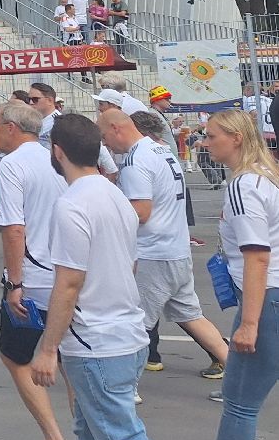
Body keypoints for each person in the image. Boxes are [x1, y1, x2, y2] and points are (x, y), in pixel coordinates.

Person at [29, 114, 173, 440]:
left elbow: (69, 283)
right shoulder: (116, 196)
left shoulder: (72, 205)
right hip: (127, 336)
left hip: (97, 344)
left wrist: (48, 349)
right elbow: (131, 264)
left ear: (57, 151)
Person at [98, 107, 229, 384]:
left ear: (116, 129)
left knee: (135, 324)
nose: (104, 144)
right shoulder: (160, 150)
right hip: (175, 248)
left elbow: (141, 212)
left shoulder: (135, 160)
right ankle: (237, 372)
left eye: (104, 136)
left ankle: (126, 388)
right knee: (191, 315)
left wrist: (106, 217)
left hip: (153, 253)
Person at [0, 102, 76, 440]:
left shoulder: (11, 164)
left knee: (15, 355)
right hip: (66, 272)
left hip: (34, 276)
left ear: (11, 128)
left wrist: (15, 281)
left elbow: (14, 227)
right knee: (72, 361)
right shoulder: (54, 159)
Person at [197, 109, 279, 440]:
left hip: (266, 299)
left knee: (240, 404)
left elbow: (257, 255)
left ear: (237, 138)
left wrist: (248, 323)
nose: (205, 143)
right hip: (269, 295)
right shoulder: (264, 176)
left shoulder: (245, 184)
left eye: (212, 136)